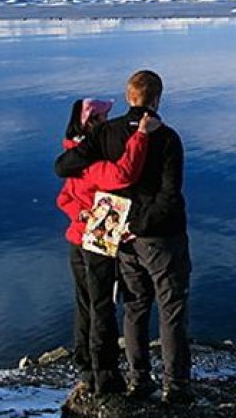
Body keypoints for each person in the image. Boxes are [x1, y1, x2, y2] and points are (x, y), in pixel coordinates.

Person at [55, 71, 192, 405]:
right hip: (162, 236)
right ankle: (175, 386)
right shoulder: (169, 138)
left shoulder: (105, 132)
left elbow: (64, 165)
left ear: (129, 97)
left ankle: (138, 380)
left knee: (134, 307)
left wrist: (125, 223)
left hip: (124, 237)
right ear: (157, 99)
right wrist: (144, 223)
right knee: (172, 308)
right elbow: (170, 194)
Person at [55, 98, 158, 397]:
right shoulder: (93, 163)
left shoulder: (72, 155)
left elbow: (64, 199)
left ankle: (86, 368)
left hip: (75, 240)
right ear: (92, 123)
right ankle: (106, 376)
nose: (108, 123)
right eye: (103, 118)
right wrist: (141, 136)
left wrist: (79, 215)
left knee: (84, 305)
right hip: (97, 241)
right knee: (102, 308)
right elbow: (124, 174)